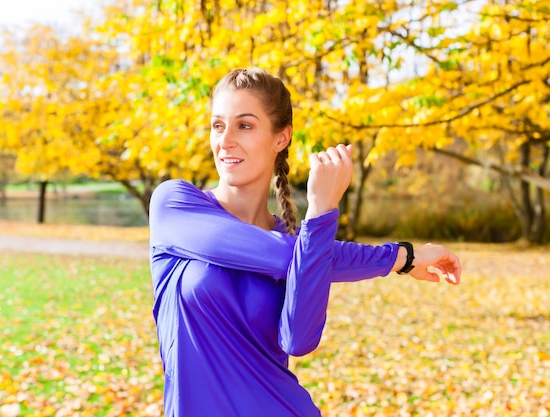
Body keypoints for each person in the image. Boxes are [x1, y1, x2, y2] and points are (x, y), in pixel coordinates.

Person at [148, 67, 462, 417]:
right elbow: (278, 254)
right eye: (218, 125)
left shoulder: (304, 247)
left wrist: (321, 211)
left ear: (281, 138)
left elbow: (299, 341)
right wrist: (402, 256)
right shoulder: (175, 205)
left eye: (245, 125)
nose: (225, 140)